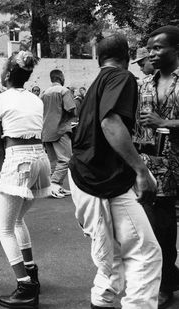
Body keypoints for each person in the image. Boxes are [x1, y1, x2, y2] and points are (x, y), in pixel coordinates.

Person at [68, 34, 162, 309]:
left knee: (113, 259)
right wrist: (141, 171)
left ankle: (102, 302)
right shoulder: (122, 78)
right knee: (145, 255)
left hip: (88, 177)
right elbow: (110, 123)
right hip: (100, 180)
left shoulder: (97, 82)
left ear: (99, 58)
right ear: (128, 56)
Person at [0, 51, 49, 309]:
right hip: (41, 159)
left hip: (17, 159)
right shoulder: (36, 99)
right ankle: (31, 271)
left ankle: (25, 286)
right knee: (17, 220)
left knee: (4, 228)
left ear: (8, 73)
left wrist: (1, 172)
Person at [134, 25, 179, 309]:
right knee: (159, 230)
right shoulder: (146, 84)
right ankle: (166, 284)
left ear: (176, 49)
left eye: (158, 48)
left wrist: (166, 124)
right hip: (157, 167)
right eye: (150, 49)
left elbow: (161, 123)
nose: (151, 53)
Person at [40, 69, 76, 198]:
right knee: (66, 159)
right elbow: (71, 109)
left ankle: (54, 186)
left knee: (53, 161)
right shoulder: (63, 91)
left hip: (46, 131)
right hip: (60, 129)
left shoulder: (44, 93)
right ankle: (54, 185)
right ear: (61, 78)